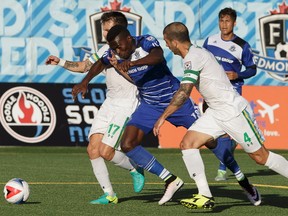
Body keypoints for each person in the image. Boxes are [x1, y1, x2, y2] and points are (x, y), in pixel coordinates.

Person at [73, 24, 260, 208]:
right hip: (150, 105)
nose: (118, 51)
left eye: (120, 46)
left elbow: (158, 56)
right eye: (113, 48)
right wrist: (85, 82)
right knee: (127, 143)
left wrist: (133, 63)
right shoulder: (115, 53)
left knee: (210, 142)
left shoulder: (145, 42)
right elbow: (100, 63)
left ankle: (242, 180)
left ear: (129, 39)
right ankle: (170, 179)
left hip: (176, 101)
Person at [154, 21, 288, 209]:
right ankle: (204, 195)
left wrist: (163, 117)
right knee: (187, 144)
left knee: (261, 157)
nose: (166, 45)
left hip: (234, 111)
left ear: (174, 42)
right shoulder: (194, 54)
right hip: (216, 112)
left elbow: (184, 91)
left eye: (167, 42)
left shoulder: (194, 56)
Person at [46, 11, 145, 205]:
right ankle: (109, 194)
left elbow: (142, 79)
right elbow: (84, 66)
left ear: (121, 30)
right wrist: (60, 62)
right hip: (110, 102)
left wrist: (121, 65)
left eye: (108, 30)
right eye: (104, 30)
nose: (105, 35)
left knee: (106, 152)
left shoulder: (138, 50)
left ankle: (135, 168)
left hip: (127, 104)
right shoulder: (104, 51)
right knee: (93, 149)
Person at [203, 7, 257, 181]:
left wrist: (237, 75)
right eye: (221, 20)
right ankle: (228, 154)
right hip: (211, 91)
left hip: (231, 92)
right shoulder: (210, 41)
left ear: (234, 23)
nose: (224, 24)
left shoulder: (242, 45)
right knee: (214, 132)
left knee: (226, 130)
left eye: (227, 21)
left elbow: (252, 69)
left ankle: (221, 168)